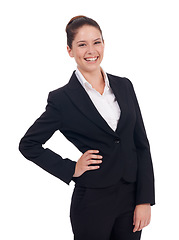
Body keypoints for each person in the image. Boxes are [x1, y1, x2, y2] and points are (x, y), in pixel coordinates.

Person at [19, 15, 155, 240]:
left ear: (103, 44)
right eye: (82, 44)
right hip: (93, 202)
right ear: (70, 50)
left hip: (131, 198)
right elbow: (28, 144)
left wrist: (145, 199)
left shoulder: (124, 85)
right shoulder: (62, 100)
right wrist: (71, 168)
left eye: (97, 42)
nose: (91, 50)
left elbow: (141, 144)